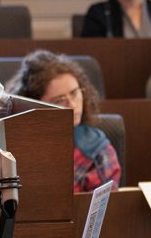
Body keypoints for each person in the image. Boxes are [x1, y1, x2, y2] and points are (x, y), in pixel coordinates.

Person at [7, 50, 121, 193]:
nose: (73, 105)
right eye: (60, 100)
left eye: (74, 93)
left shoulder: (97, 149)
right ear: (35, 105)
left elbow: (102, 210)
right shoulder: (13, 149)